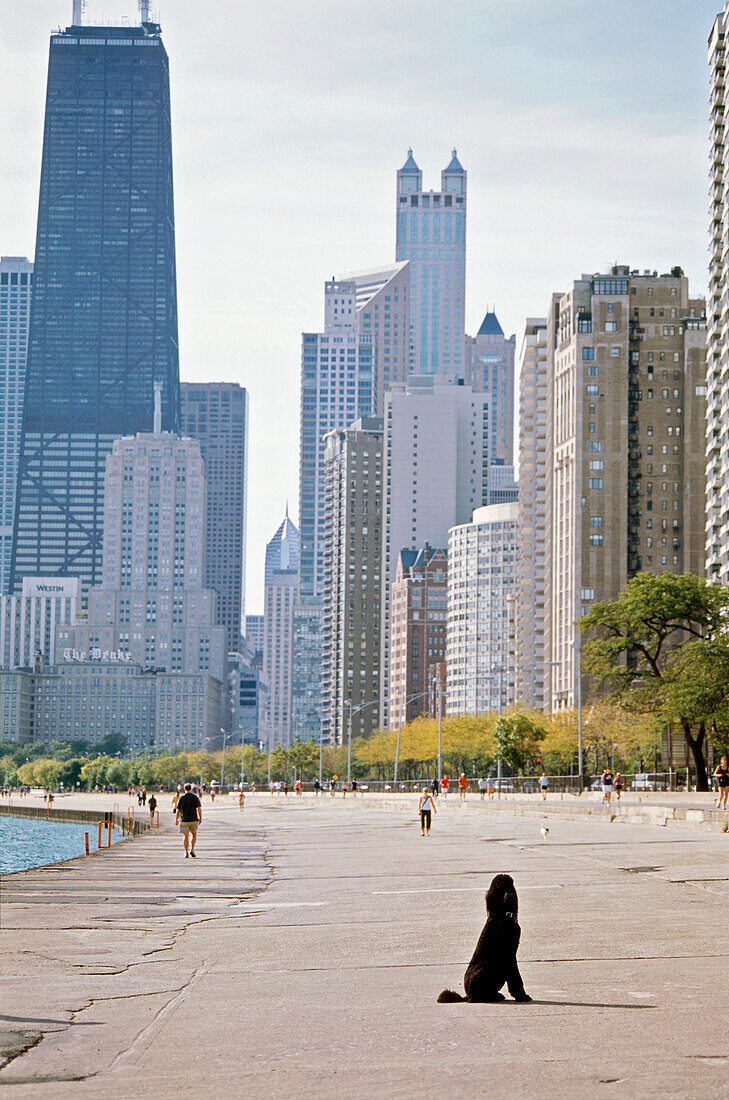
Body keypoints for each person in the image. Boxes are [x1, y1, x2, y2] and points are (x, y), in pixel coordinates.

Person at [175, 782, 202, 858]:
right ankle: (192, 849)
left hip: (184, 820)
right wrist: (200, 818)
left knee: (185, 836)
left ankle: (186, 852)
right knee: (194, 834)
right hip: (193, 819)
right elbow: (199, 809)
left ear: (184, 789)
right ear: (191, 788)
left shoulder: (182, 798)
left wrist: (176, 819)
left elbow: (178, 810)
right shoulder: (195, 797)